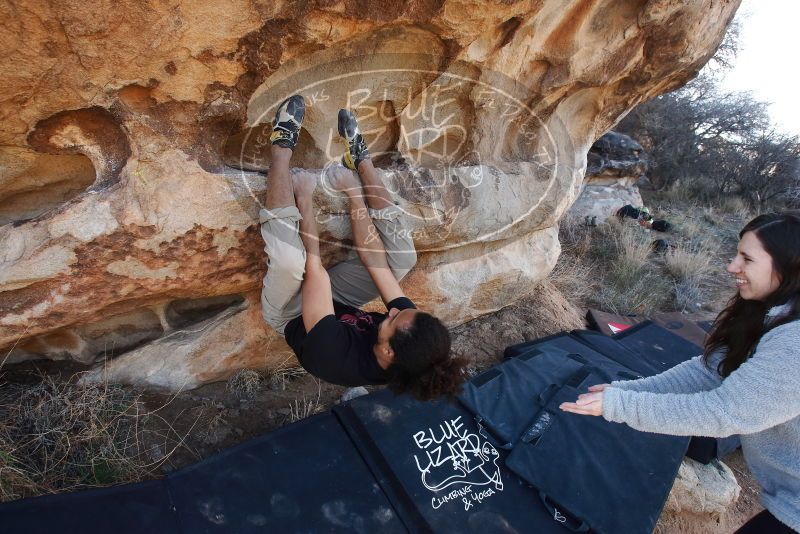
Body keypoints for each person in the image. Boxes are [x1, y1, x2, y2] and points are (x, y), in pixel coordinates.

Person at [560, 211, 800, 533]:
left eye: (746, 259)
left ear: (788, 267)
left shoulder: (794, 343)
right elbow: (710, 372)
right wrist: (632, 389)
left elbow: (724, 413)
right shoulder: (772, 313)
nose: (732, 267)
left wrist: (621, 406)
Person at [258, 95, 467, 401]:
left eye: (392, 318)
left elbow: (314, 269)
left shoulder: (332, 356)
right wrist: (355, 194)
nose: (393, 309)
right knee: (402, 258)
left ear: (387, 351)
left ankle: (280, 148)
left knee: (292, 261)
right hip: (335, 300)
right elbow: (377, 264)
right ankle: (361, 160)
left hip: (293, 312)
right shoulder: (410, 332)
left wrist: (304, 198)